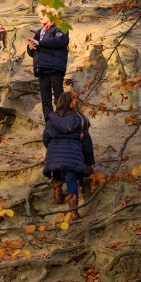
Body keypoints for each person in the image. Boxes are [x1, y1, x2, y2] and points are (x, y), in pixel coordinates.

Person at [42, 91, 96, 219]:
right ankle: (73, 210)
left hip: (54, 153)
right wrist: (89, 162)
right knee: (71, 178)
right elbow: (87, 144)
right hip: (73, 155)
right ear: (73, 104)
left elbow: (46, 138)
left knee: (57, 169)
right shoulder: (80, 120)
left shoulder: (52, 119)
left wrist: (51, 149)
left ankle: (57, 193)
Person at [27, 4, 69, 120]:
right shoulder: (39, 32)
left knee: (58, 98)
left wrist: (40, 43)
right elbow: (34, 52)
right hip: (42, 69)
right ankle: (49, 125)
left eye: (43, 13)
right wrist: (30, 48)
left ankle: (62, 122)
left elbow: (60, 41)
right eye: (38, 14)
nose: (40, 16)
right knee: (45, 99)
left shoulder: (61, 27)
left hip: (55, 68)